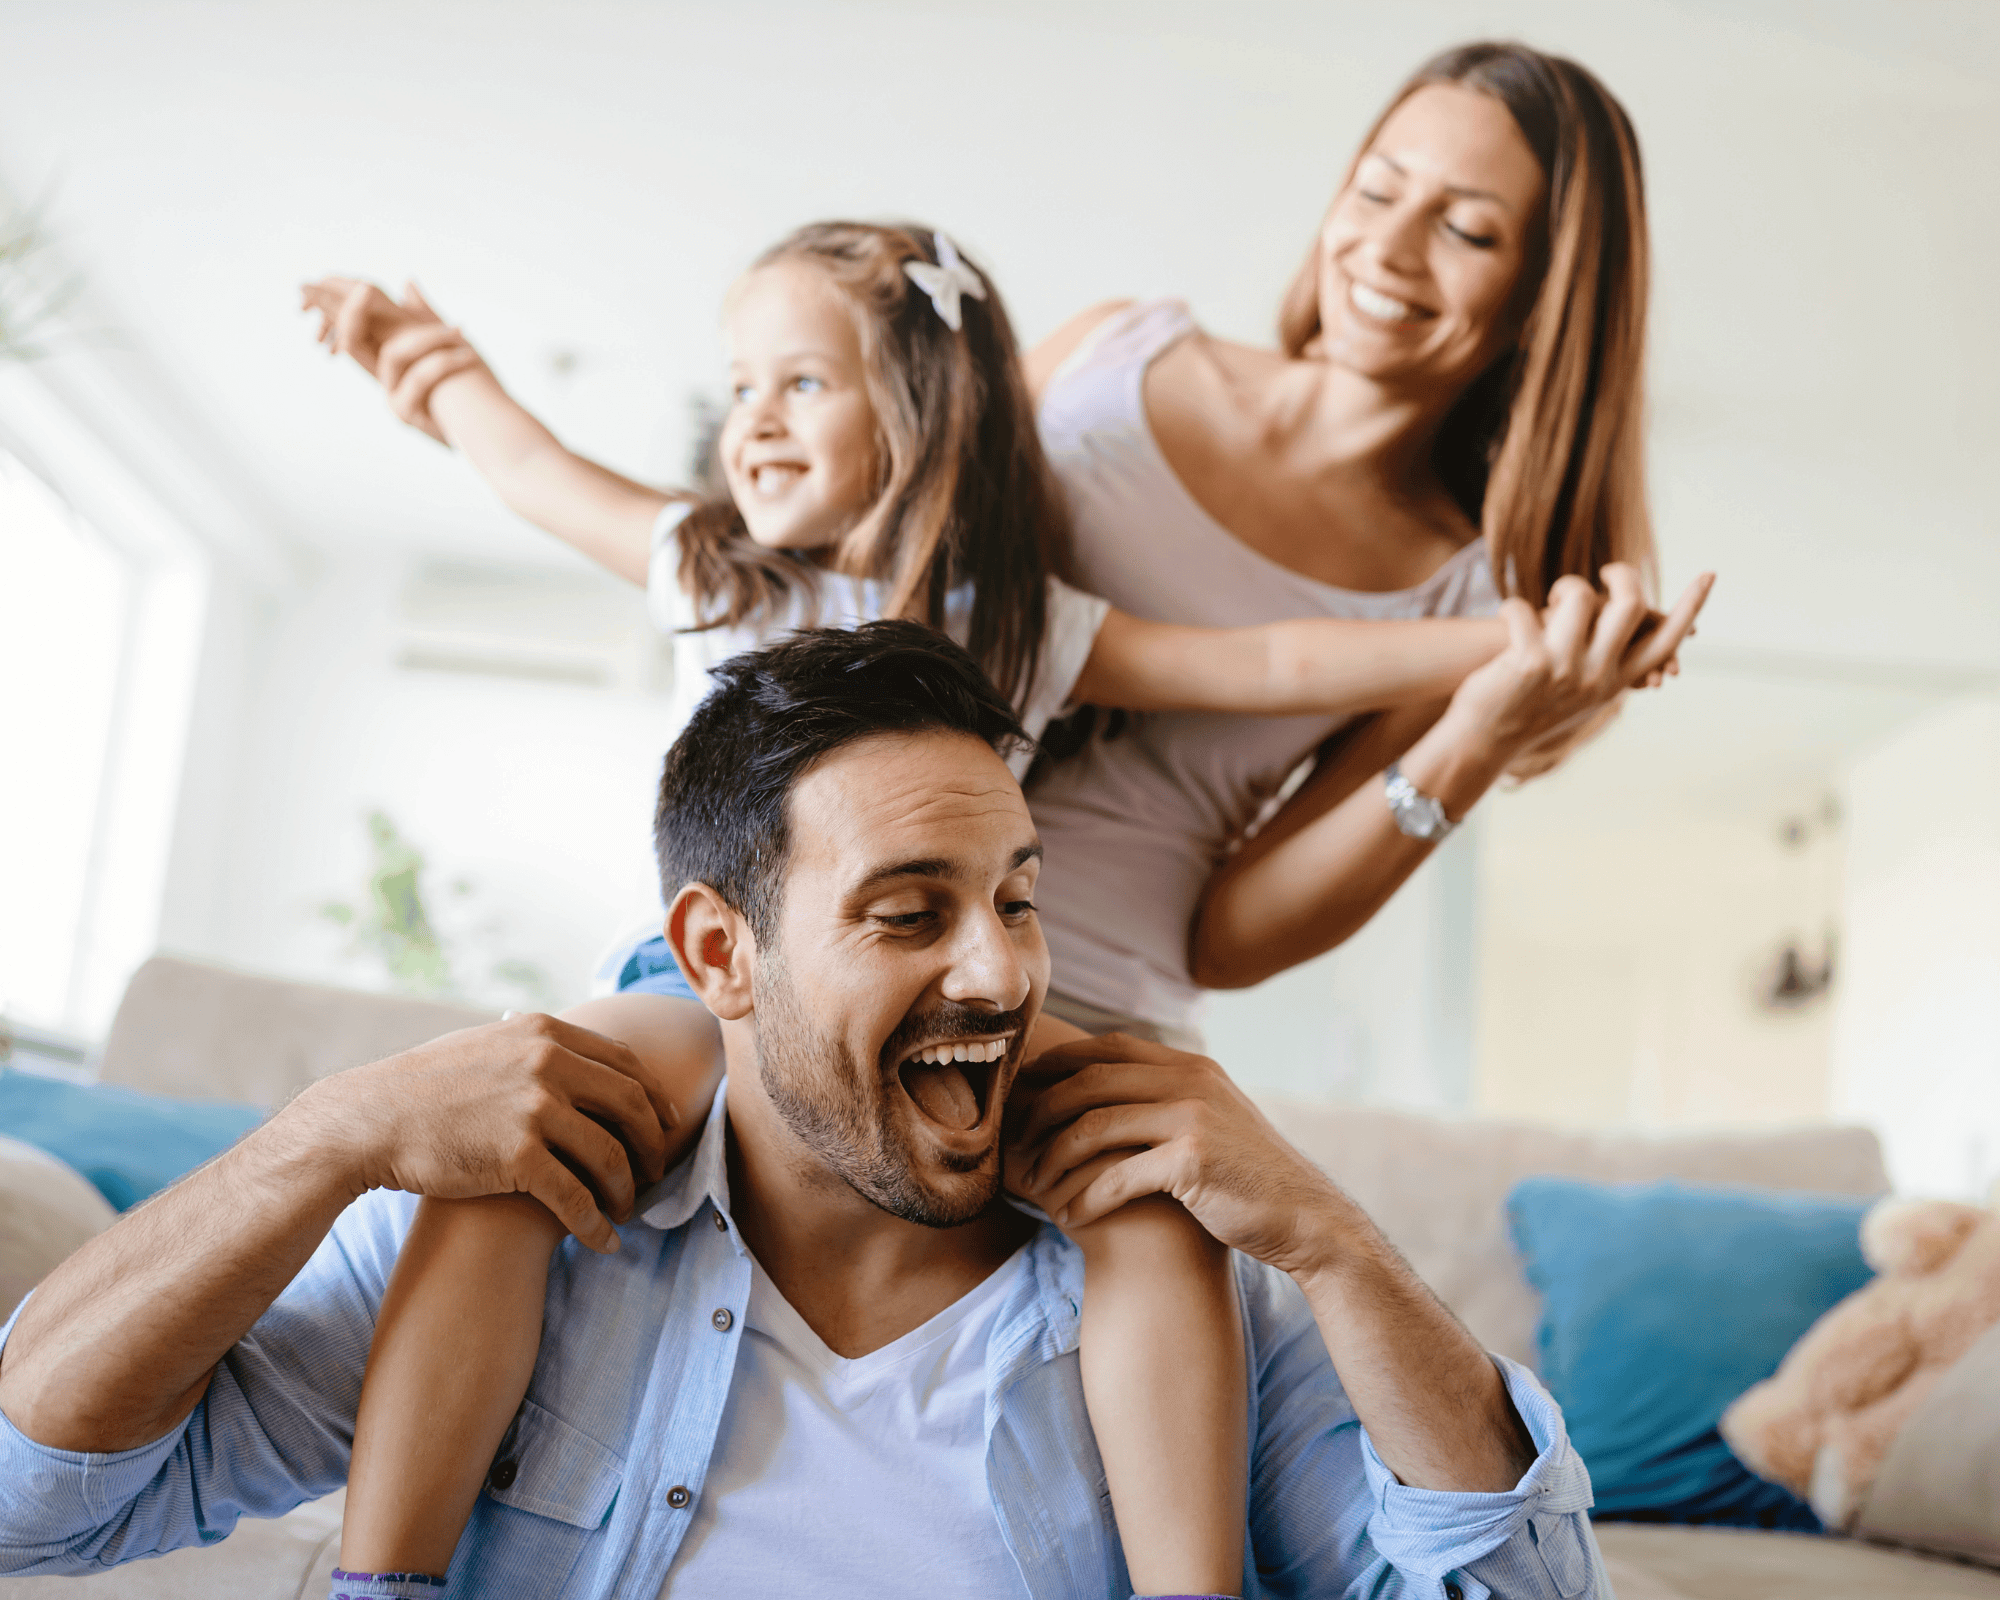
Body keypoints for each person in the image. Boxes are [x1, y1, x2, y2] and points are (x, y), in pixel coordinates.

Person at [297, 220, 1604, 1596]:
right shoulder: (718, 566)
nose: (754, 422)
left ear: (923, 407)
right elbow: (534, 471)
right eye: (741, 389)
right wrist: (433, 370)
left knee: (1148, 1210)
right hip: (716, 999)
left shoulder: (1030, 622)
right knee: (519, 1154)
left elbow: (1275, 656)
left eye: (800, 384)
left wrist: (1518, 642)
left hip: (962, 1019)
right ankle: (382, 1580)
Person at [0, 621, 1607, 1598]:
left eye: (1019, 900)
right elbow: (31, 1509)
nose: (999, 974)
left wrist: (1333, 1243)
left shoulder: (1182, 1283)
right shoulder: (535, 1231)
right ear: (721, 953)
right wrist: (325, 1135)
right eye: (910, 914)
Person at [1021, 39, 1712, 1036]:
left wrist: (1479, 735)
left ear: (1540, 301)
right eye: (1375, 191)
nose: (1385, 250)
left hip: (1085, 1018)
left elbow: (1229, 942)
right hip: (838, 930)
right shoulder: (1104, 352)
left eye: (1466, 232)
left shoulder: (1464, 597)